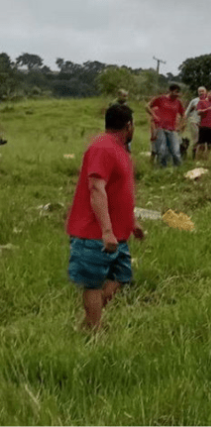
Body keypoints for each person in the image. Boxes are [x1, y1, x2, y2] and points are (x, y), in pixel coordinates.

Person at [66, 104, 144, 330]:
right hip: (94, 233)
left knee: (122, 276)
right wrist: (106, 231)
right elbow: (96, 188)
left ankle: (89, 323)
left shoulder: (121, 150)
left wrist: (132, 221)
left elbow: (119, 191)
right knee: (92, 283)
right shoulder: (103, 148)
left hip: (119, 232)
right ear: (129, 125)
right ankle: (94, 331)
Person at [146, 83, 185, 167]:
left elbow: (183, 115)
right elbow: (147, 106)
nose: (177, 94)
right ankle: (162, 168)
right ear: (170, 91)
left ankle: (178, 168)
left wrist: (180, 126)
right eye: (175, 92)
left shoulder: (178, 102)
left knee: (175, 151)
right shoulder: (161, 99)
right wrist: (154, 116)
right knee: (162, 150)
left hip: (172, 129)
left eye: (178, 92)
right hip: (160, 127)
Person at [184, 86, 206, 159]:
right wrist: (183, 122)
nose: (201, 93)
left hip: (204, 124)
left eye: (202, 91)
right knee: (196, 140)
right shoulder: (194, 101)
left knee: (204, 142)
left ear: (205, 92)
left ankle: (201, 157)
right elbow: (186, 113)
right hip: (194, 121)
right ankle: (194, 157)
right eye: (199, 91)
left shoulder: (208, 101)